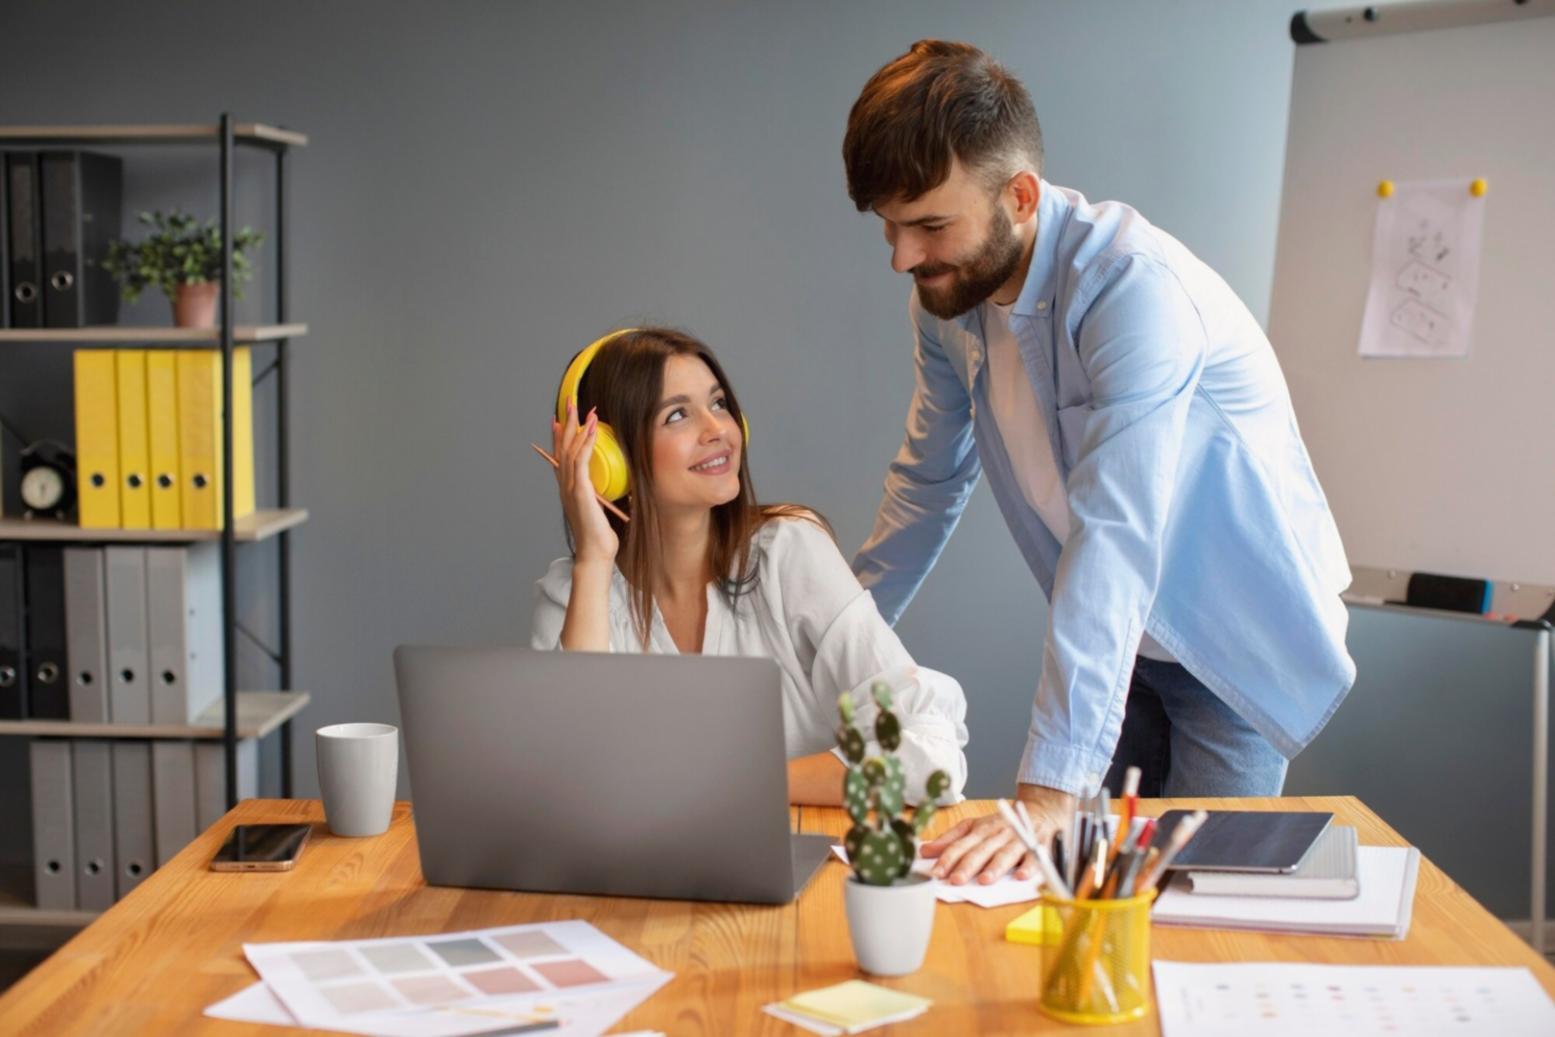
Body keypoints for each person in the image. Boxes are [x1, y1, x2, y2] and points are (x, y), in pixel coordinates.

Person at [841, 41, 1355, 882]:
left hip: (1232, 641)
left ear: (1019, 195)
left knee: (1196, 905)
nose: (903, 256)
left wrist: (1049, 791)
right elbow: (928, 481)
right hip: (1124, 648)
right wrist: (835, 652)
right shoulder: (945, 303)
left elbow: (1114, 530)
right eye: (889, 227)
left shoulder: (1131, 289)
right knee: (1087, 897)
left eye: (929, 225)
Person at [530, 326, 970, 806]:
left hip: (808, 860)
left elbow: (932, 756)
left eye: (718, 404)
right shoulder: (578, 592)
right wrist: (593, 559)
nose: (718, 429)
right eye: (677, 415)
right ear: (606, 460)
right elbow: (568, 779)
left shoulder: (789, 553)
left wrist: (736, 785)